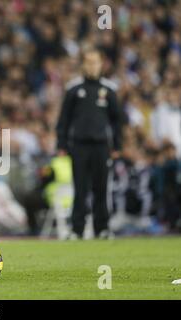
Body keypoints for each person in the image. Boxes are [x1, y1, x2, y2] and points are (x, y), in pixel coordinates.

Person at [56, 46, 122, 239]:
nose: (92, 66)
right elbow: (64, 120)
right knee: (80, 188)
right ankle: (77, 229)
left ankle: (102, 228)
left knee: (101, 188)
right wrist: (61, 144)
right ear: (83, 65)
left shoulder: (109, 90)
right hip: (79, 145)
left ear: (102, 64)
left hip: (102, 146)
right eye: (89, 62)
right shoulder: (74, 89)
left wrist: (117, 146)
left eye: (95, 62)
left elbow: (117, 121)